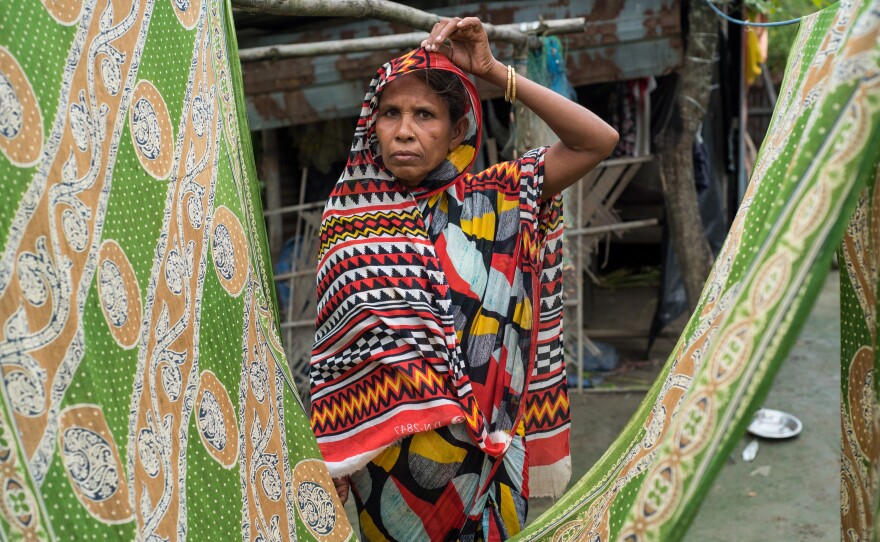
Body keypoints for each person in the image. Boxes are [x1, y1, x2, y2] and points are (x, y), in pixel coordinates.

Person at [310, 17, 618, 541]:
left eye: (425, 115)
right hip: (384, 477)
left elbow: (597, 141)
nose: (404, 130)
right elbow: (335, 358)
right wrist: (333, 453)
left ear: (457, 131)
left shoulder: (496, 199)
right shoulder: (349, 225)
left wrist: (494, 71)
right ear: (373, 126)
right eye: (391, 113)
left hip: (486, 469)